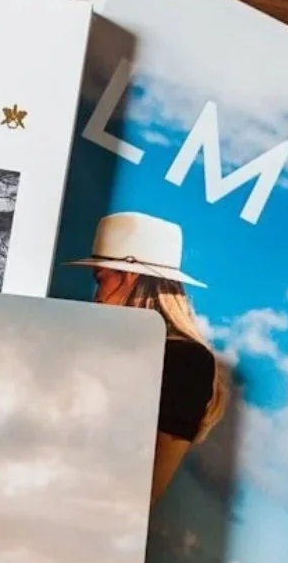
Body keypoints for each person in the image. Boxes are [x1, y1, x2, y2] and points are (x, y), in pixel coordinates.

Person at [65, 211, 228, 503]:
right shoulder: (108, 348)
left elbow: (147, 490)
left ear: (128, 277)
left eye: (99, 278)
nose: (96, 295)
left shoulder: (186, 361)